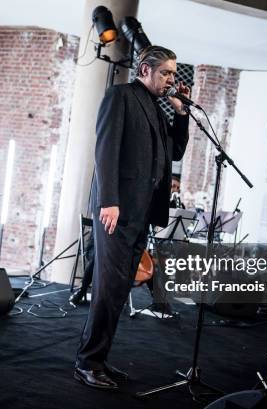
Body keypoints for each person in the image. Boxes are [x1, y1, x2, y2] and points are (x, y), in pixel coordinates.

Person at [74, 45, 190, 390]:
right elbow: (105, 148)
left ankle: (100, 360)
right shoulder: (121, 95)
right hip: (117, 210)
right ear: (145, 69)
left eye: (173, 73)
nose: (171, 79)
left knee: (121, 289)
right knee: (108, 289)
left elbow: (176, 152)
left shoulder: (156, 108)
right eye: (166, 72)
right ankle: (88, 363)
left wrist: (181, 112)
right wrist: (108, 200)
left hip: (142, 213)